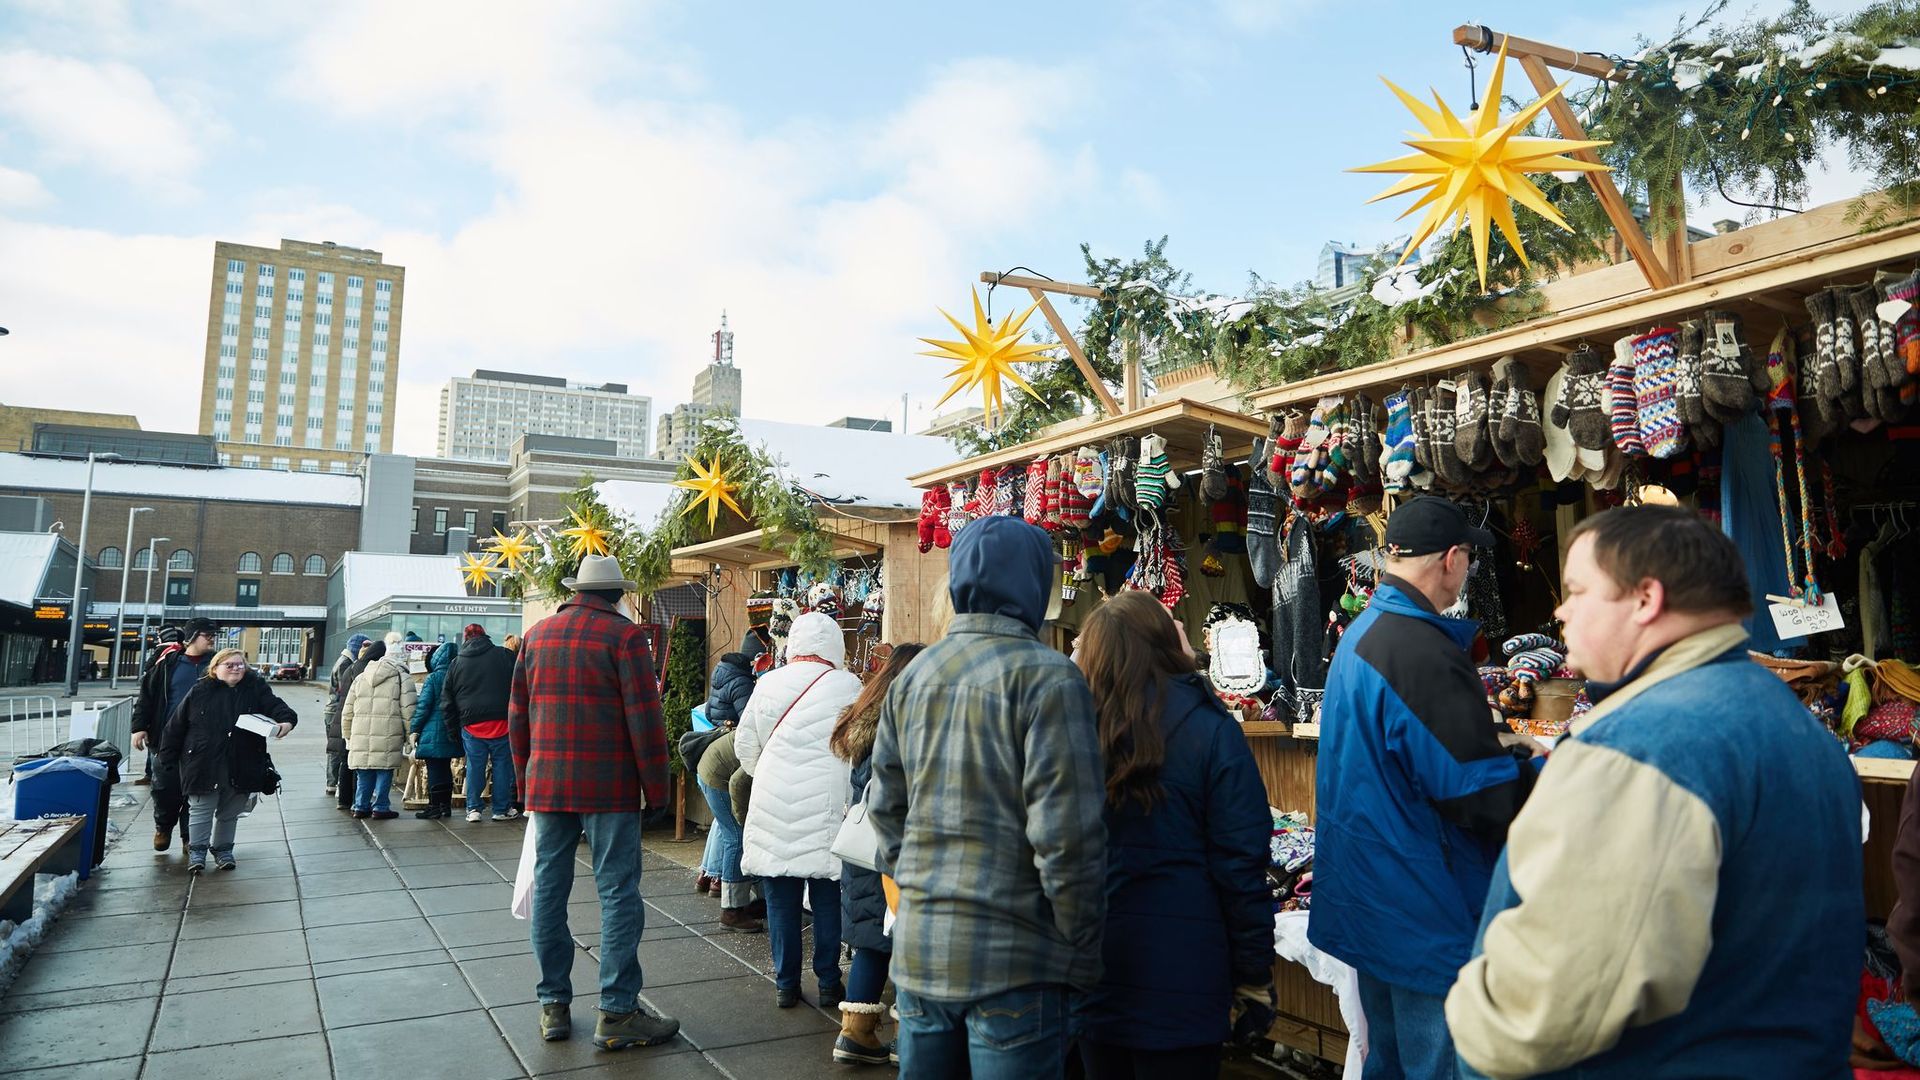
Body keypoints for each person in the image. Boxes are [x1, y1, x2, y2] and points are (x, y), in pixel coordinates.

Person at [1447, 506, 1864, 1078]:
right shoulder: (1793, 726)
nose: (1560, 610)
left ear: (1646, 600)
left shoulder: (1642, 750)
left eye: (1576, 591)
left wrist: (1470, 1017)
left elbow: (1540, 1013)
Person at [1307, 497, 1537, 1078]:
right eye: (1469, 560)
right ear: (1453, 560)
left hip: (1377, 900)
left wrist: (1494, 746)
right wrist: (1544, 771)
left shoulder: (1366, 633)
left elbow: (1406, 759)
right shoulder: (1418, 649)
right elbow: (1477, 796)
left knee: (1390, 1063)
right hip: (1424, 912)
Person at [870, 516, 1106, 1078]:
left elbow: (885, 809)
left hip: (923, 950)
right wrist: (1081, 945)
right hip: (1018, 960)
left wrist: (925, 887)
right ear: (1033, 584)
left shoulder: (914, 676)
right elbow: (1068, 839)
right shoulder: (1051, 679)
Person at [1073, 592, 1274, 1079]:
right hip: (1185, 975)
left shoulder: (1070, 727)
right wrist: (1253, 974)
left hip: (1091, 971)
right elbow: (1241, 862)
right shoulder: (1209, 728)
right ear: (1163, 643)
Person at [509, 554, 678, 1051]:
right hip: (609, 786)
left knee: (549, 893)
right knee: (618, 893)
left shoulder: (537, 636)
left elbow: (518, 717)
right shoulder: (625, 638)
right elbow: (645, 723)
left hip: (548, 786)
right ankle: (618, 1011)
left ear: (577, 590)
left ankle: (553, 1006)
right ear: (615, 595)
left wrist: (525, 785)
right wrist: (658, 791)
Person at [737, 611, 862, 1009]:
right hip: (827, 804)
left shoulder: (768, 683)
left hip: (773, 804)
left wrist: (768, 773)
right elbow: (860, 746)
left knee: (780, 900)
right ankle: (828, 982)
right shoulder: (849, 685)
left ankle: (785, 984)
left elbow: (745, 745)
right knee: (827, 897)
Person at [828, 641, 924, 1066]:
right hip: (894, 852)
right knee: (908, 942)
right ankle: (908, 1040)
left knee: (871, 942)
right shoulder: (908, 724)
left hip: (861, 852)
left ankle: (855, 1033)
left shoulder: (864, 721)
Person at [159, 647, 295, 873]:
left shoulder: (255, 689)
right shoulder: (199, 691)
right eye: (229, 665)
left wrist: (285, 724)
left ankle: (223, 850)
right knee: (201, 809)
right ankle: (197, 852)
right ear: (215, 669)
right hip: (203, 762)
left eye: (240, 664)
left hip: (242, 761)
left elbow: (279, 708)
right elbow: (175, 726)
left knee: (229, 812)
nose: (236, 669)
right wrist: (167, 758)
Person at [132, 618, 221, 852]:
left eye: (213, 635)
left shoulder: (218, 666)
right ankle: (163, 826)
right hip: (166, 739)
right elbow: (146, 698)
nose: (212, 638)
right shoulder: (166, 665)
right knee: (164, 789)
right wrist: (139, 727)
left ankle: (188, 837)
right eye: (207, 634)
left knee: (196, 790)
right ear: (191, 637)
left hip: (203, 741)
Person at [697, 628, 768, 895]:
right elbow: (751, 719)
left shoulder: (721, 671)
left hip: (718, 747)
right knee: (734, 832)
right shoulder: (742, 682)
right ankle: (725, 890)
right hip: (730, 755)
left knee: (722, 823)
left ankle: (710, 874)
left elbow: (708, 710)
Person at [446, 622, 519, 823]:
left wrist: (452, 728)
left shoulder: (456, 663)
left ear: (466, 638)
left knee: (475, 766)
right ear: (485, 636)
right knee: (502, 766)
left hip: (471, 724)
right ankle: (501, 809)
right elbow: (520, 684)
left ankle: (473, 809)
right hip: (501, 722)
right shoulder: (504, 656)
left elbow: (447, 698)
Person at [693, 727, 764, 932]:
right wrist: (743, 822)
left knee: (741, 837)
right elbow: (737, 783)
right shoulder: (770, 746)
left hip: (715, 766)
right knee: (737, 838)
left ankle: (758, 901)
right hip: (718, 776)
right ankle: (731, 911)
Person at [341, 635, 416, 820]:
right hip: (389, 733)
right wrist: (410, 736)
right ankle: (381, 807)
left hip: (360, 733)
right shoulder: (401, 677)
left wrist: (347, 735)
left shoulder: (360, 677)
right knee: (384, 770)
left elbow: (347, 710)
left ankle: (360, 806)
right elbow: (408, 710)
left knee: (364, 771)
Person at [409, 640, 461, 819]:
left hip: (432, 730)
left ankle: (434, 806)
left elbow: (423, 706)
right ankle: (445, 806)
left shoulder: (433, 678)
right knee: (445, 768)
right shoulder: (458, 675)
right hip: (451, 730)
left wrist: (414, 728)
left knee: (434, 770)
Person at [334, 640, 383, 810]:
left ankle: (344, 800)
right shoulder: (367, 670)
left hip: (343, 717)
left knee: (346, 761)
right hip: (357, 720)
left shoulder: (351, 667)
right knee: (358, 764)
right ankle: (358, 801)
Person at [322, 633, 369, 797]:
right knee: (338, 748)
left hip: (331, 710)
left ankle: (331, 783)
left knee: (334, 748)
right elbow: (345, 691)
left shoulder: (341, 660)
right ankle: (333, 783)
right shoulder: (346, 664)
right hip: (336, 711)